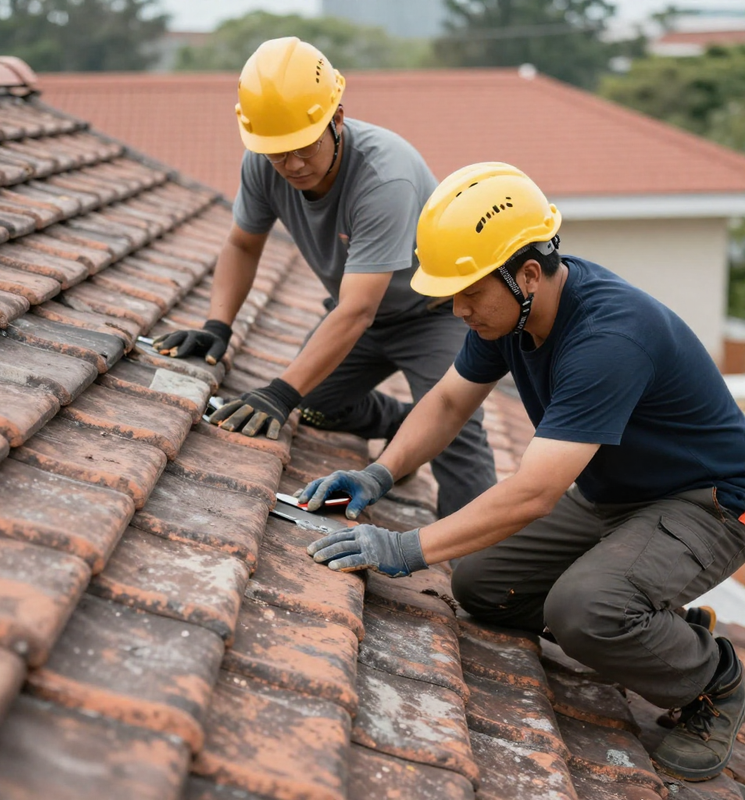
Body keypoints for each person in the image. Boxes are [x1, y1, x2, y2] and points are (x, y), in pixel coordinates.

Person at [302, 162, 745, 782]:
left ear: (528, 273)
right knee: (481, 586)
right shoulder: (508, 310)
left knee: (584, 610)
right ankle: (654, 629)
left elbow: (535, 491)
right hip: (613, 490)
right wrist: (379, 473)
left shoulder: (609, 337)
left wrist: (405, 547)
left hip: (708, 502)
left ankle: (713, 678)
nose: (458, 310)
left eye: (468, 293)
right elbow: (451, 400)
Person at [152, 37, 496, 518]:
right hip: (359, 313)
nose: (291, 165)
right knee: (312, 404)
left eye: (303, 147)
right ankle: (400, 422)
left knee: (452, 425)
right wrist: (217, 326)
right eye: (277, 153)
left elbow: (358, 309)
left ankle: (480, 565)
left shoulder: (383, 177)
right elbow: (242, 243)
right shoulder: (263, 161)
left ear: (336, 118)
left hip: (433, 315)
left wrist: (278, 393)